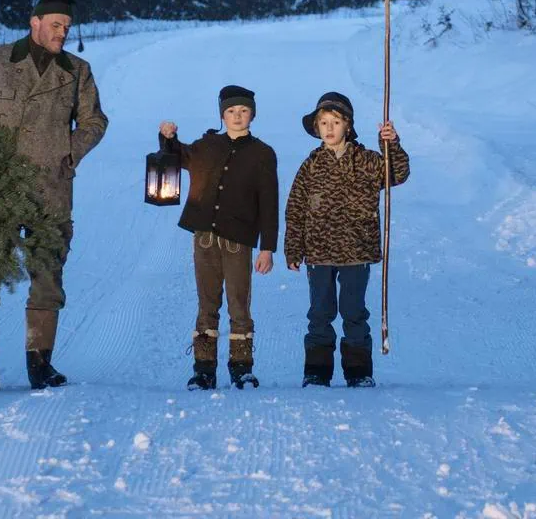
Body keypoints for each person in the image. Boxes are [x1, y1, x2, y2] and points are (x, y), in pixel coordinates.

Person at [0, 0, 109, 391]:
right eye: (56, 24)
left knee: (48, 276)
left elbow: (95, 121)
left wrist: (69, 152)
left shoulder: (76, 71)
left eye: (67, 26)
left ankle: (40, 365)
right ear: (35, 22)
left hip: (51, 188)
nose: (62, 32)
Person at [284, 92, 409, 388]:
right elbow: (296, 208)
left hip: (356, 250)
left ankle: (358, 371)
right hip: (319, 252)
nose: (329, 128)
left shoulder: (366, 161)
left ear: (348, 126)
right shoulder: (311, 165)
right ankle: (317, 371)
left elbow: (397, 173)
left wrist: (390, 144)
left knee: (354, 312)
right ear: (316, 128)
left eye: (336, 122)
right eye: (323, 123)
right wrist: (293, 248)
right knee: (320, 313)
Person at [158, 85, 278, 390]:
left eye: (244, 111)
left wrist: (267, 248)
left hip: (239, 240)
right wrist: (168, 138)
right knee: (207, 303)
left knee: (239, 305)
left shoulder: (262, 154)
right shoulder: (207, 145)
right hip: (205, 238)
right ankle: (203, 369)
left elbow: (269, 203)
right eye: (231, 111)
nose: (237, 116)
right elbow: (178, 155)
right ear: (222, 115)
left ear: (252, 114)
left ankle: (242, 368)